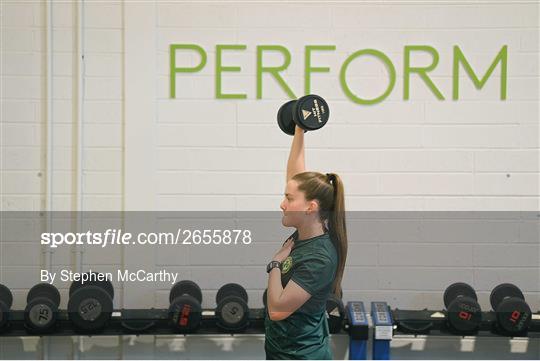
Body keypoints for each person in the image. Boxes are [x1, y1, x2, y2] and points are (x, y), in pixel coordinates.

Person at [264, 124, 348, 360]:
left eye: (289, 199)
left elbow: (277, 309)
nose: (282, 204)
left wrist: (275, 265)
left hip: (300, 356)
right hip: (282, 351)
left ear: (311, 208)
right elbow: (295, 175)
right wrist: (300, 130)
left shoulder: (319, 257)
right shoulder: (306, 229)